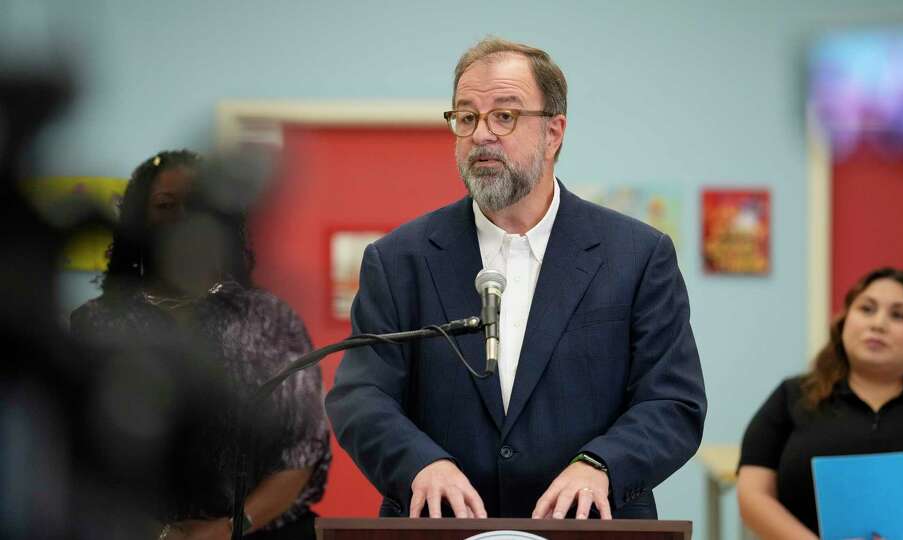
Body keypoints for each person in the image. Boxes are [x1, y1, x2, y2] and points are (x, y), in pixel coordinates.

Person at [325, 37, 706, 520]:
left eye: (504, 115)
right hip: (441, 526)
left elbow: (673, 400)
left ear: (554, 132)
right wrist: (419, 464)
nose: (481, 134)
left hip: (591, 527)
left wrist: (601, 465)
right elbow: (360, 394)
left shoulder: (637, 255)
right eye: (466, 117)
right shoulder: (399, 259)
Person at [70, 150, 331, 540]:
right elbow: (78, 455)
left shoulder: (271, 320)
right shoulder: (98, 323)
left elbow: (302, 451)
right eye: (164, 205)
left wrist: (228, 529)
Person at [737, 267, 903, 539]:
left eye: (899, 315)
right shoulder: (792, 395)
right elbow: (752, 494)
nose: (878, 323)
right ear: (843, 324)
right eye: (866, 309)